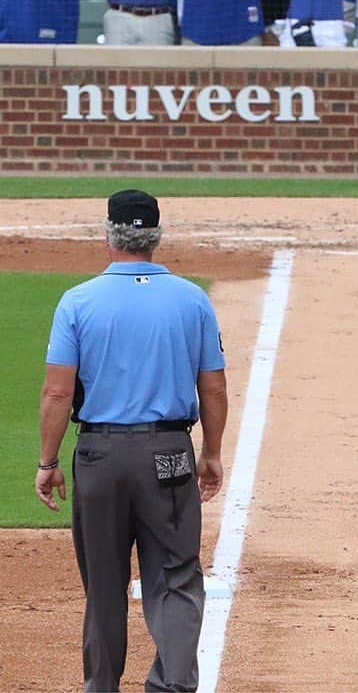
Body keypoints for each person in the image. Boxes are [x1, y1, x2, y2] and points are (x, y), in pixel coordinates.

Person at [35, 189, 228, 692]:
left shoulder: (78, 301)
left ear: (109, 235)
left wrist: (48, 460)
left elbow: (58, 392)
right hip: (168, 456)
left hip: (99, 457)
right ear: (155, 237)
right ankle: (171, 686)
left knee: (104, 585)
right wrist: (211, 452)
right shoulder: (191, 299)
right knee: (177, 580)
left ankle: (101, 687)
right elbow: (213, 386)